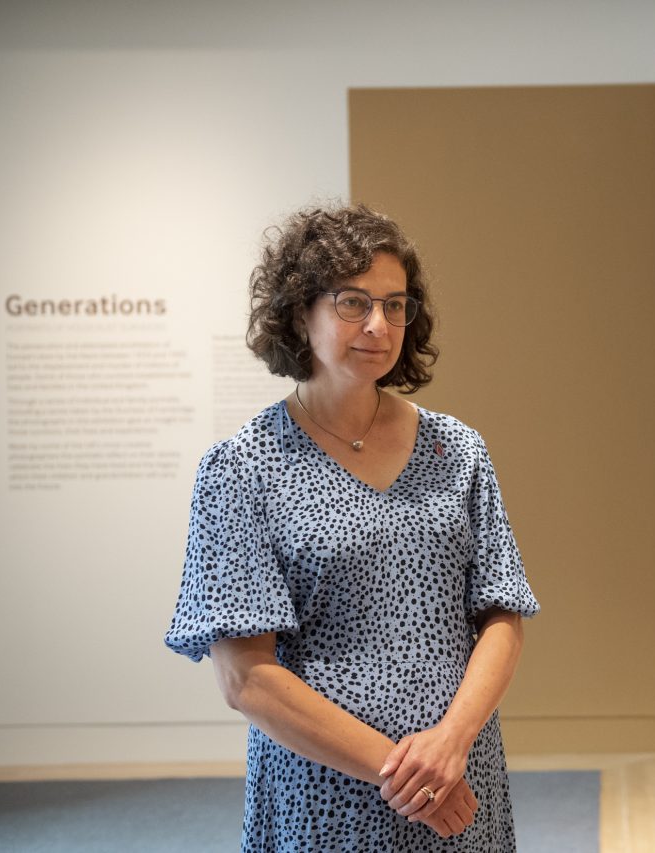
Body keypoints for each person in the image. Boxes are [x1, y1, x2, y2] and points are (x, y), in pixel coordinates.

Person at [164, 203, 540, 852]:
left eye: (396, 305)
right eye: (352, 302)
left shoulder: (459, 450)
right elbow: (244, 676)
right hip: (326, 793)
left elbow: (503, 614)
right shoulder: (242, 467)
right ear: (298, 311)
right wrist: (406, 772)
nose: (379, 324)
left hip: (459, 777)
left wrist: (448, 746)